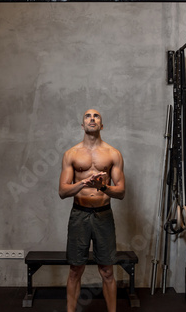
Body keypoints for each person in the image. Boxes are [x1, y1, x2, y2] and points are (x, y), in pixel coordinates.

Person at [59, 108, 125, 312]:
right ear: (82, 125)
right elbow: (62, 191)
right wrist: (85, 183)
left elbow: (121, 192)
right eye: (88, 116)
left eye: (96, 116)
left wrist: (103, 187)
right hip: (79, 214)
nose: (92, 118)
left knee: (107, 271)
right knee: (75, 270)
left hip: (103, 215)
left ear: (101, 125)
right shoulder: (71, 154)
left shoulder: (113, 154)